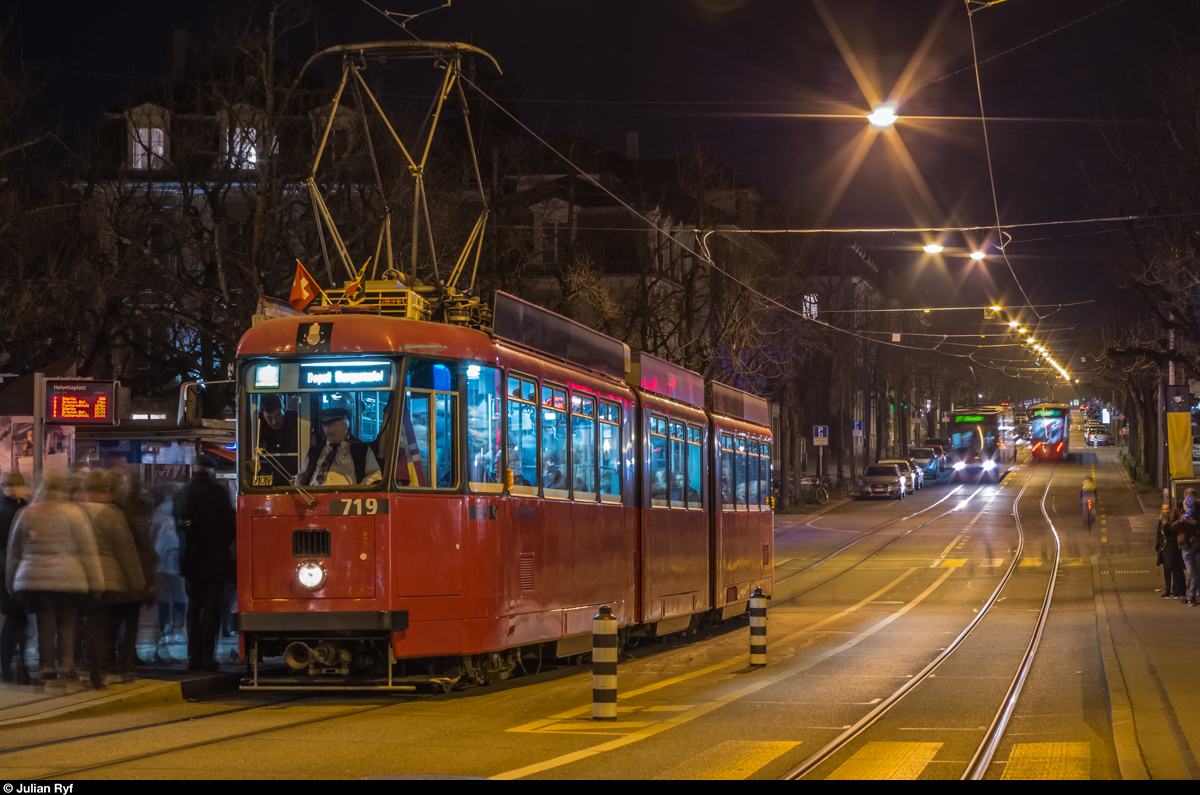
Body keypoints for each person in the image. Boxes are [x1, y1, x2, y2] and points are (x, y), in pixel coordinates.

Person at [5, 474, 103, 682]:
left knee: (45, 621)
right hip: (69, 576)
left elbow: (14, 552)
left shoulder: (27, 513)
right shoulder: (74, 513)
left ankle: (46, 667)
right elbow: (87, 550)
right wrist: (96, 582)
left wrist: (11, 581)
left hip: (34, 578)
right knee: (68, 621)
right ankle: (67, 666)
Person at [77, 470, 145, 688]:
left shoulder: (75, 513)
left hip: (80, 579)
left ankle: (79, 663)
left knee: (77, 623)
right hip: (109, 580)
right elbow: (125, 551)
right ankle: (97, 670)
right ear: (106, 492)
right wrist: (136, 582)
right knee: (101, 626)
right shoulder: (112, 515)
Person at [175, 455, 236, 671]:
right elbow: (231, 527)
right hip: (216, 561)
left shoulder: (184, 493)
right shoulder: (218, 493)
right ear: (210, 470)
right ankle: (208, 657)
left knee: (193, 608)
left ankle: (193, 656)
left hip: (191, 560)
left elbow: (179, 526)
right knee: (212, 610)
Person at [105, 455, 156, 672]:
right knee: (131, 618)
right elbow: (144, 546)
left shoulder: (113, 514)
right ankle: (128, 655)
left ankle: (112, 656)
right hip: (136, 573)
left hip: (115, 575)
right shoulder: (139, 515)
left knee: (114, 618)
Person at [297, 409, 381, 487]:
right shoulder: (315, 450)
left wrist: (360, 489)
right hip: (314, 498)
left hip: (347, 499)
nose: (331, 430)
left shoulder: (361, 450)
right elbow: (303, 475)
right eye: (327, 426)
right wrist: (298, 490)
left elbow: (375, 474)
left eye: (335, 425)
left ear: (345, 426)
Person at [0, 473, 30, 683]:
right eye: (10, 486)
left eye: (17, 485)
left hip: (19, 570)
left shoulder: (26, 507)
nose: (14, 489)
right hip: (8, 571)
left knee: (18, 618)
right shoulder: (4, 509)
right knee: (16, 617)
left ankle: (11, 664)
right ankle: (10, 664)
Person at [151, 484, 186, 651]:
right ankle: (178, 630)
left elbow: (152, 536)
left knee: (164, 599)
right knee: (180, 599)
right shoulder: (182, 511)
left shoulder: (159, 512)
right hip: (178, 563)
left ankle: (165, 631)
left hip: (162, 564)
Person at [257, 395, 299, 478]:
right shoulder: (257, 425)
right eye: (269, 418)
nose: (274, 422)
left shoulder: (297, 420)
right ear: (263, 416)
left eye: (278, 415)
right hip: (267, 472)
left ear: (284, 410)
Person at [1173, 489, 1200, 606]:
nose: (1189, 501)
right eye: (1187, 499)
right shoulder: (1177, 509)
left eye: (1191, 499)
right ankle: (1192, 595)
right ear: (1184, 496)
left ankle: (1191, 596)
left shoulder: (1198, 508)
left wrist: (1195, 523)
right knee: (1192, 571)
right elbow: (1170, 528)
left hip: (1197, 544)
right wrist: (1180, 521)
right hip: (1185, 544)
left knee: (1198, 570)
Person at [1157, 503, 1185, 599]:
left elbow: (1171, 531)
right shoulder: (1162, 521)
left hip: (1172, 547)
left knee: (1174, 569)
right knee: (1167, 568)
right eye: (1164, 509)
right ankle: (1168, 589)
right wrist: (1158, 547)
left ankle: (1177, 591)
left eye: (1168, 509)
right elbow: (1159, 534)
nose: (1166, 511)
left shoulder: (1172, 521)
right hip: (1164, 548)